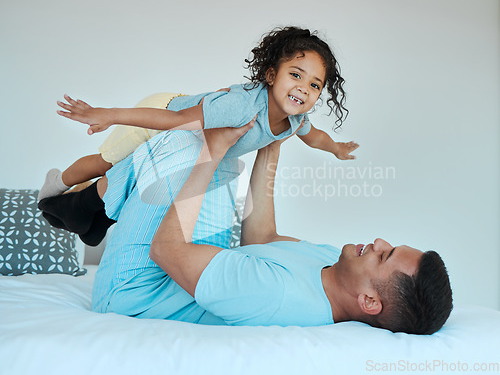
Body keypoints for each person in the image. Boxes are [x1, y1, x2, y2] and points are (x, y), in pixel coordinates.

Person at [40, 119, 452, 334]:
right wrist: (275, 140)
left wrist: (210, 152)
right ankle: (90, 206)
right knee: (226, 146)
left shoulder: (278, 297)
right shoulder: (335, 266)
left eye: (386, 255)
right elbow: (262, 239)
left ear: (369, 302)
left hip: (133, 291)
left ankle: (89, 204)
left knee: (188, 140)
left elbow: (166, 252)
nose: (379, 241)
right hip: (184, 266)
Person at [37, 26, 358, 214]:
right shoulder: (242, 108)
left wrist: (337, 149)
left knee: (129, 181)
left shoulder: (294, 122)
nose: (304, 87)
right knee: (104, 163)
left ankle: (81, 206)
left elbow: (316, 136)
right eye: (296, 75)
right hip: (161, 117)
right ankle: (57, 184)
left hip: (180, 140)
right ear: (271, 75)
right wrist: (110, 114)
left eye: (315, 85)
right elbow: (175, 119)